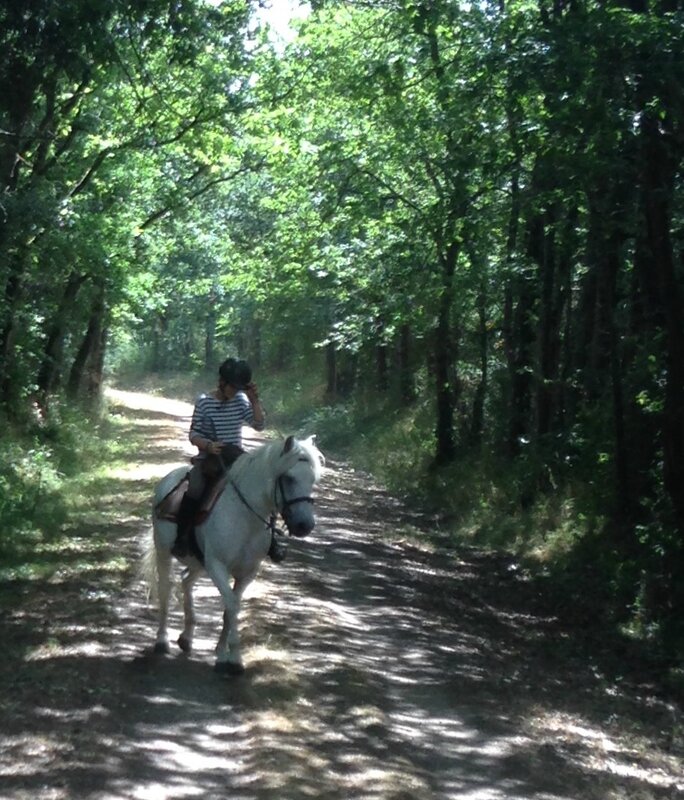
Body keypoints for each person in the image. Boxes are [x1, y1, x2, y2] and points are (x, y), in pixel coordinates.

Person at [172, 358, 286, 563]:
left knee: (265, 485)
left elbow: (259, 425)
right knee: (196, 487)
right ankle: (182, 537)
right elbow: (194, 434)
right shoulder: (204, 402)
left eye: (239, 388)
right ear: (222, 382)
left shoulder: (241, 401)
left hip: (236, 458)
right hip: (210, 458)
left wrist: (254, 400)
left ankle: (270, 540)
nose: (235, 391)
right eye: (233, 386)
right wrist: (208, 445)